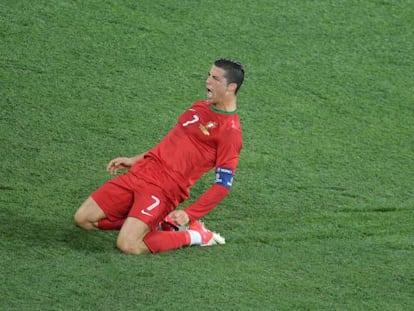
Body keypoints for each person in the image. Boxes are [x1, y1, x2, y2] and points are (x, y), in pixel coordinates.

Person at [74, 58, 245, 255]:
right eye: (208, 75)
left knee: (128, 245)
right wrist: (135, 160)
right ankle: (160, 222)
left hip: (164, 189)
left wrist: (190, 214)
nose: (207, 81)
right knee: (83, 219)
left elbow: (223, 185)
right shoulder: (199, 107)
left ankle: (196, 236)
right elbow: (169, 144)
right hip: (142, 172)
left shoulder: (230, 132)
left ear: (231, 87)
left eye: (215, 78)